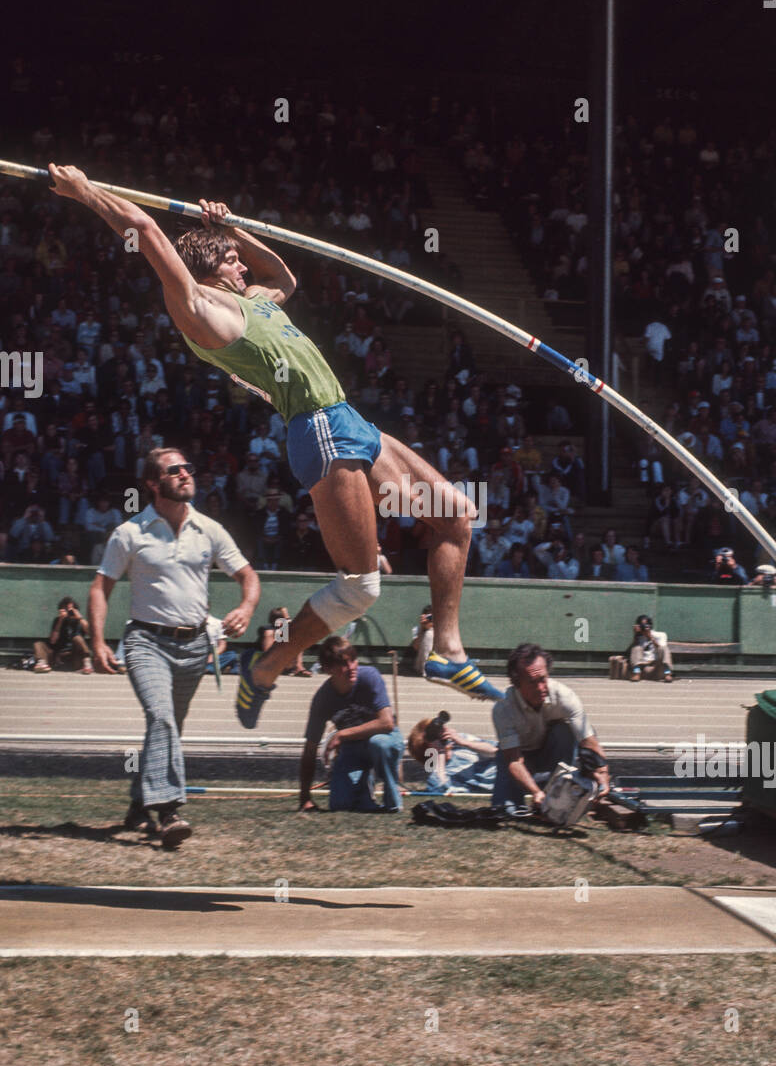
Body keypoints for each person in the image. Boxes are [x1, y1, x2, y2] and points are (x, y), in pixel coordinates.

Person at [47, 164, 501, 722]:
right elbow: (144, 226)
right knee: (361, 587)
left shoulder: (257, 301)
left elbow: (285, 277)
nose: (242, 263)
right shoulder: (201, 310)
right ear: (210, 270)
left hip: (348, 418)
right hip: (318, 429)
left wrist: (234, 230)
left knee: (456, 516)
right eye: (232, 258)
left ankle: (447, 652)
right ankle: (265, 667)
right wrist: (86, 191)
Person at [87, 446, 260, 849]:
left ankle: (137, 804)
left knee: (167, 728)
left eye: (188, 468)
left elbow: (248, 576)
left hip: (195, 645)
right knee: (162, 718)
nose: (185, 474)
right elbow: (101, 587)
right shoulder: (130, 532)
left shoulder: (210, 529)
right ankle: (169, 812)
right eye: (174, 470)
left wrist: (247, 607)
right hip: (146, 642)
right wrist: (97, 641)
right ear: (153, 483)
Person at [491, 643, 611, 814]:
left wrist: (602, 774)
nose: (541, 688)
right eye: (532, 683)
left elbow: (588, 741)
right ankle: (532, 798)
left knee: (564, 731)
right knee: (505, 813)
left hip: (550, 758)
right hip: (518, 759)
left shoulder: (565, 696)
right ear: (517, 683)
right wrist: (536, 793)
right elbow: (514, 761)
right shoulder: (503, 708)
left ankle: (560, 795)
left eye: (543, 679)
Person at [298, 635, 404, 813]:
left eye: (353, 660)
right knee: (340, 805)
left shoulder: (370, 676)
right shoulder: (322, 698)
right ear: (327, 669)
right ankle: (364, 787)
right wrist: (305, 798)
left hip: (384, 739)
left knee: (379, 743)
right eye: (343, 664)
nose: (352, 668)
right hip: (353, 750)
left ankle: (393, 802)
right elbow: (309, 750)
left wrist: (341, 734)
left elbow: (386, 723)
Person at [407, 713, 497, 794]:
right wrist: (440, 752)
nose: (445, 729)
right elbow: (437, 789)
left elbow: (496, 751)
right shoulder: (444, 771)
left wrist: (464, 742)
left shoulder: (461, 741)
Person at [33, 596, 93, 674]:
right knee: (38, 644)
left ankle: (87, 664)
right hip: (58, 654)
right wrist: (60, 621)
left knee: (77, 638)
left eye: (70, 610)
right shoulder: (58, 621)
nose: (68, 612)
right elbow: (53, 641)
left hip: (74, 656)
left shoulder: (79, 621)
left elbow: (90, 633)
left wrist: (79, 618)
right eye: (65, 609)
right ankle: (42, 664)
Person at [627, 614, 674, 682]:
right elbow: (633, 651)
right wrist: (635, 635)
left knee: (664, 648)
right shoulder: (638, 637)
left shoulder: (660, 635)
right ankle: (636, 673)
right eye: (641, 626)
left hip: (656, 665)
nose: (644, 628)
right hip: (643, 666)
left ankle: (667, 674)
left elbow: (661, 649)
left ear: (650, 626)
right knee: (636, 648)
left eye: (646, 625)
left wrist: (650, 637)